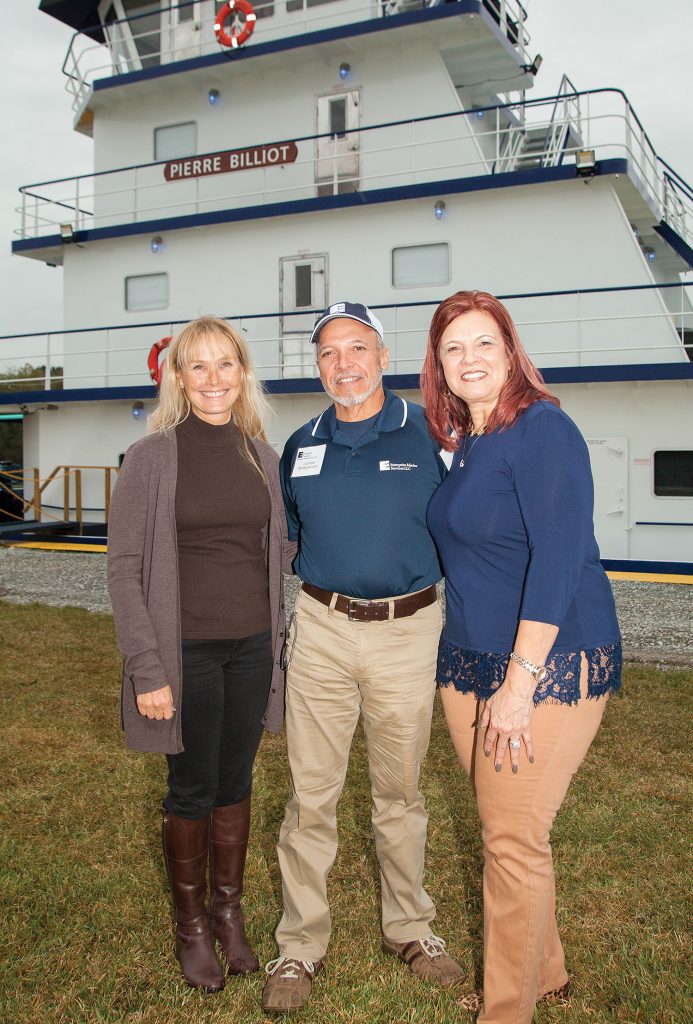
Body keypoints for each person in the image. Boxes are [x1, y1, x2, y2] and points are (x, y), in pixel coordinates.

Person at [421, 291, 622, 1023]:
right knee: (505, 829)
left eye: (483, 344)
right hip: (469, 659)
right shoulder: (470, 440)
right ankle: (546, 972)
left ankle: (505, 1011)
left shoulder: (544, 429)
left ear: (510, 351)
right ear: (437, 367)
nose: (469, 359)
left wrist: (519, 684)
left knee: (511, 837)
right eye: (453, 348)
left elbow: (559, 557)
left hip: (547, 663)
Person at [261, 301, 465, 1015]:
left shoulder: (432, 431)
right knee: (309, 795)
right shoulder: (300, 444)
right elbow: (285, 538)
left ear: (382, 354)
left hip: (408, 632)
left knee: (398, 794)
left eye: (355, 348)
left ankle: (409, 927)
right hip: (320, 628)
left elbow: (467, 528)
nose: (342, 364)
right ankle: (299, 945)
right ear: (316, 366)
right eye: (327, 353)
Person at [107, 316, 293, 993]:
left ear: (242, 373)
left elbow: (282, 550)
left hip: (250, 649)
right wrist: (146, 668)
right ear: (178, 377)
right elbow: (123, 570)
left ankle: (228, 914)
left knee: (236, 781)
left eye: (226, 364)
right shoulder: (150, 456)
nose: (214, 379)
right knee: (191, 786)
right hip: (182, 651)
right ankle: (190, 929)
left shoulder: (262, 457)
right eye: (199, 366)